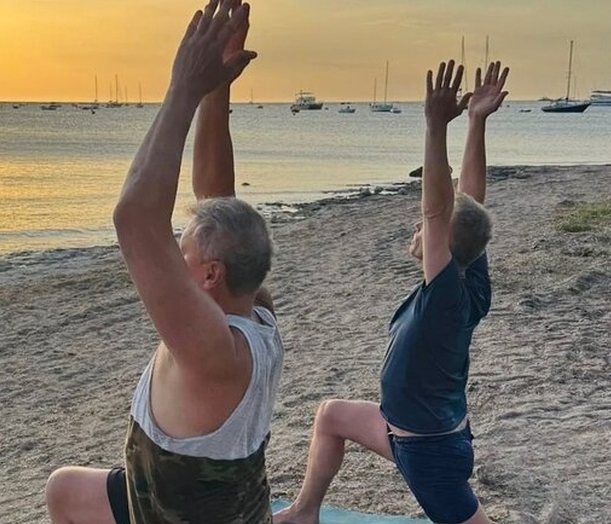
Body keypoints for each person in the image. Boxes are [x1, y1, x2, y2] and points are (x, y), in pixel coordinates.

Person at [46, 1, 284, 522]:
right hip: (192, 499)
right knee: (65, 490)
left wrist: (183, 88)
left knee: (65, 491)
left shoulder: (210, 351)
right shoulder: (254, 309)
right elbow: (215, 195)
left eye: (183, 247)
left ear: (210, 274)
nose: (173, 252)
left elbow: (134, 218)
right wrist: (216, 89)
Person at [273, 60, 509, 524]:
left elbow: (439, 209)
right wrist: (476, 122)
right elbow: (469, 202)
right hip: (404, 431)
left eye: (423, 227)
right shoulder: (470, 276)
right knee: (331, 416)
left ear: (441, 243)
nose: (417, 229)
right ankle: (304, 511)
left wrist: (435, 127)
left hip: (428, 455)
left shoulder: (444, 298)